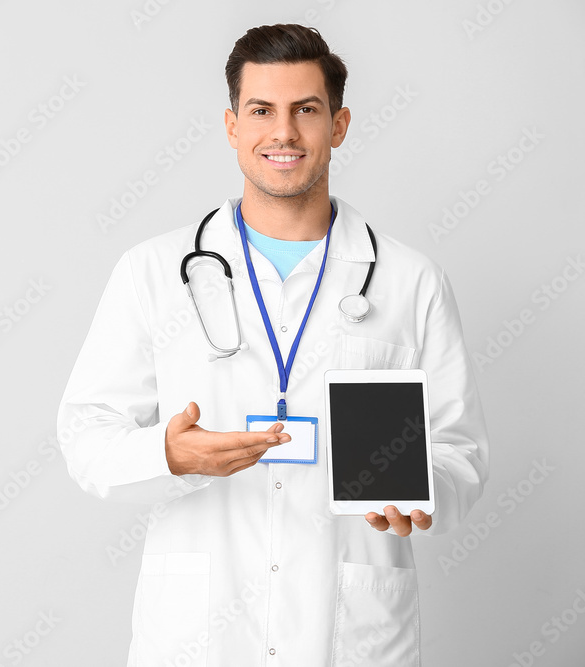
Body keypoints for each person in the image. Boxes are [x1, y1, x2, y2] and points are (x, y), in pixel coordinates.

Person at [56, 23, 489, 667]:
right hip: (200, 633)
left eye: (305, 110)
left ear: (338, 125)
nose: (282, 132)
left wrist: (421, 496)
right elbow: (86, 436)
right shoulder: (152, 271)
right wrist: (167, 455)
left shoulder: (408, 281)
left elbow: (461, 451)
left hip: (350, 631)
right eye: (261, 110)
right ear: (232, 125)